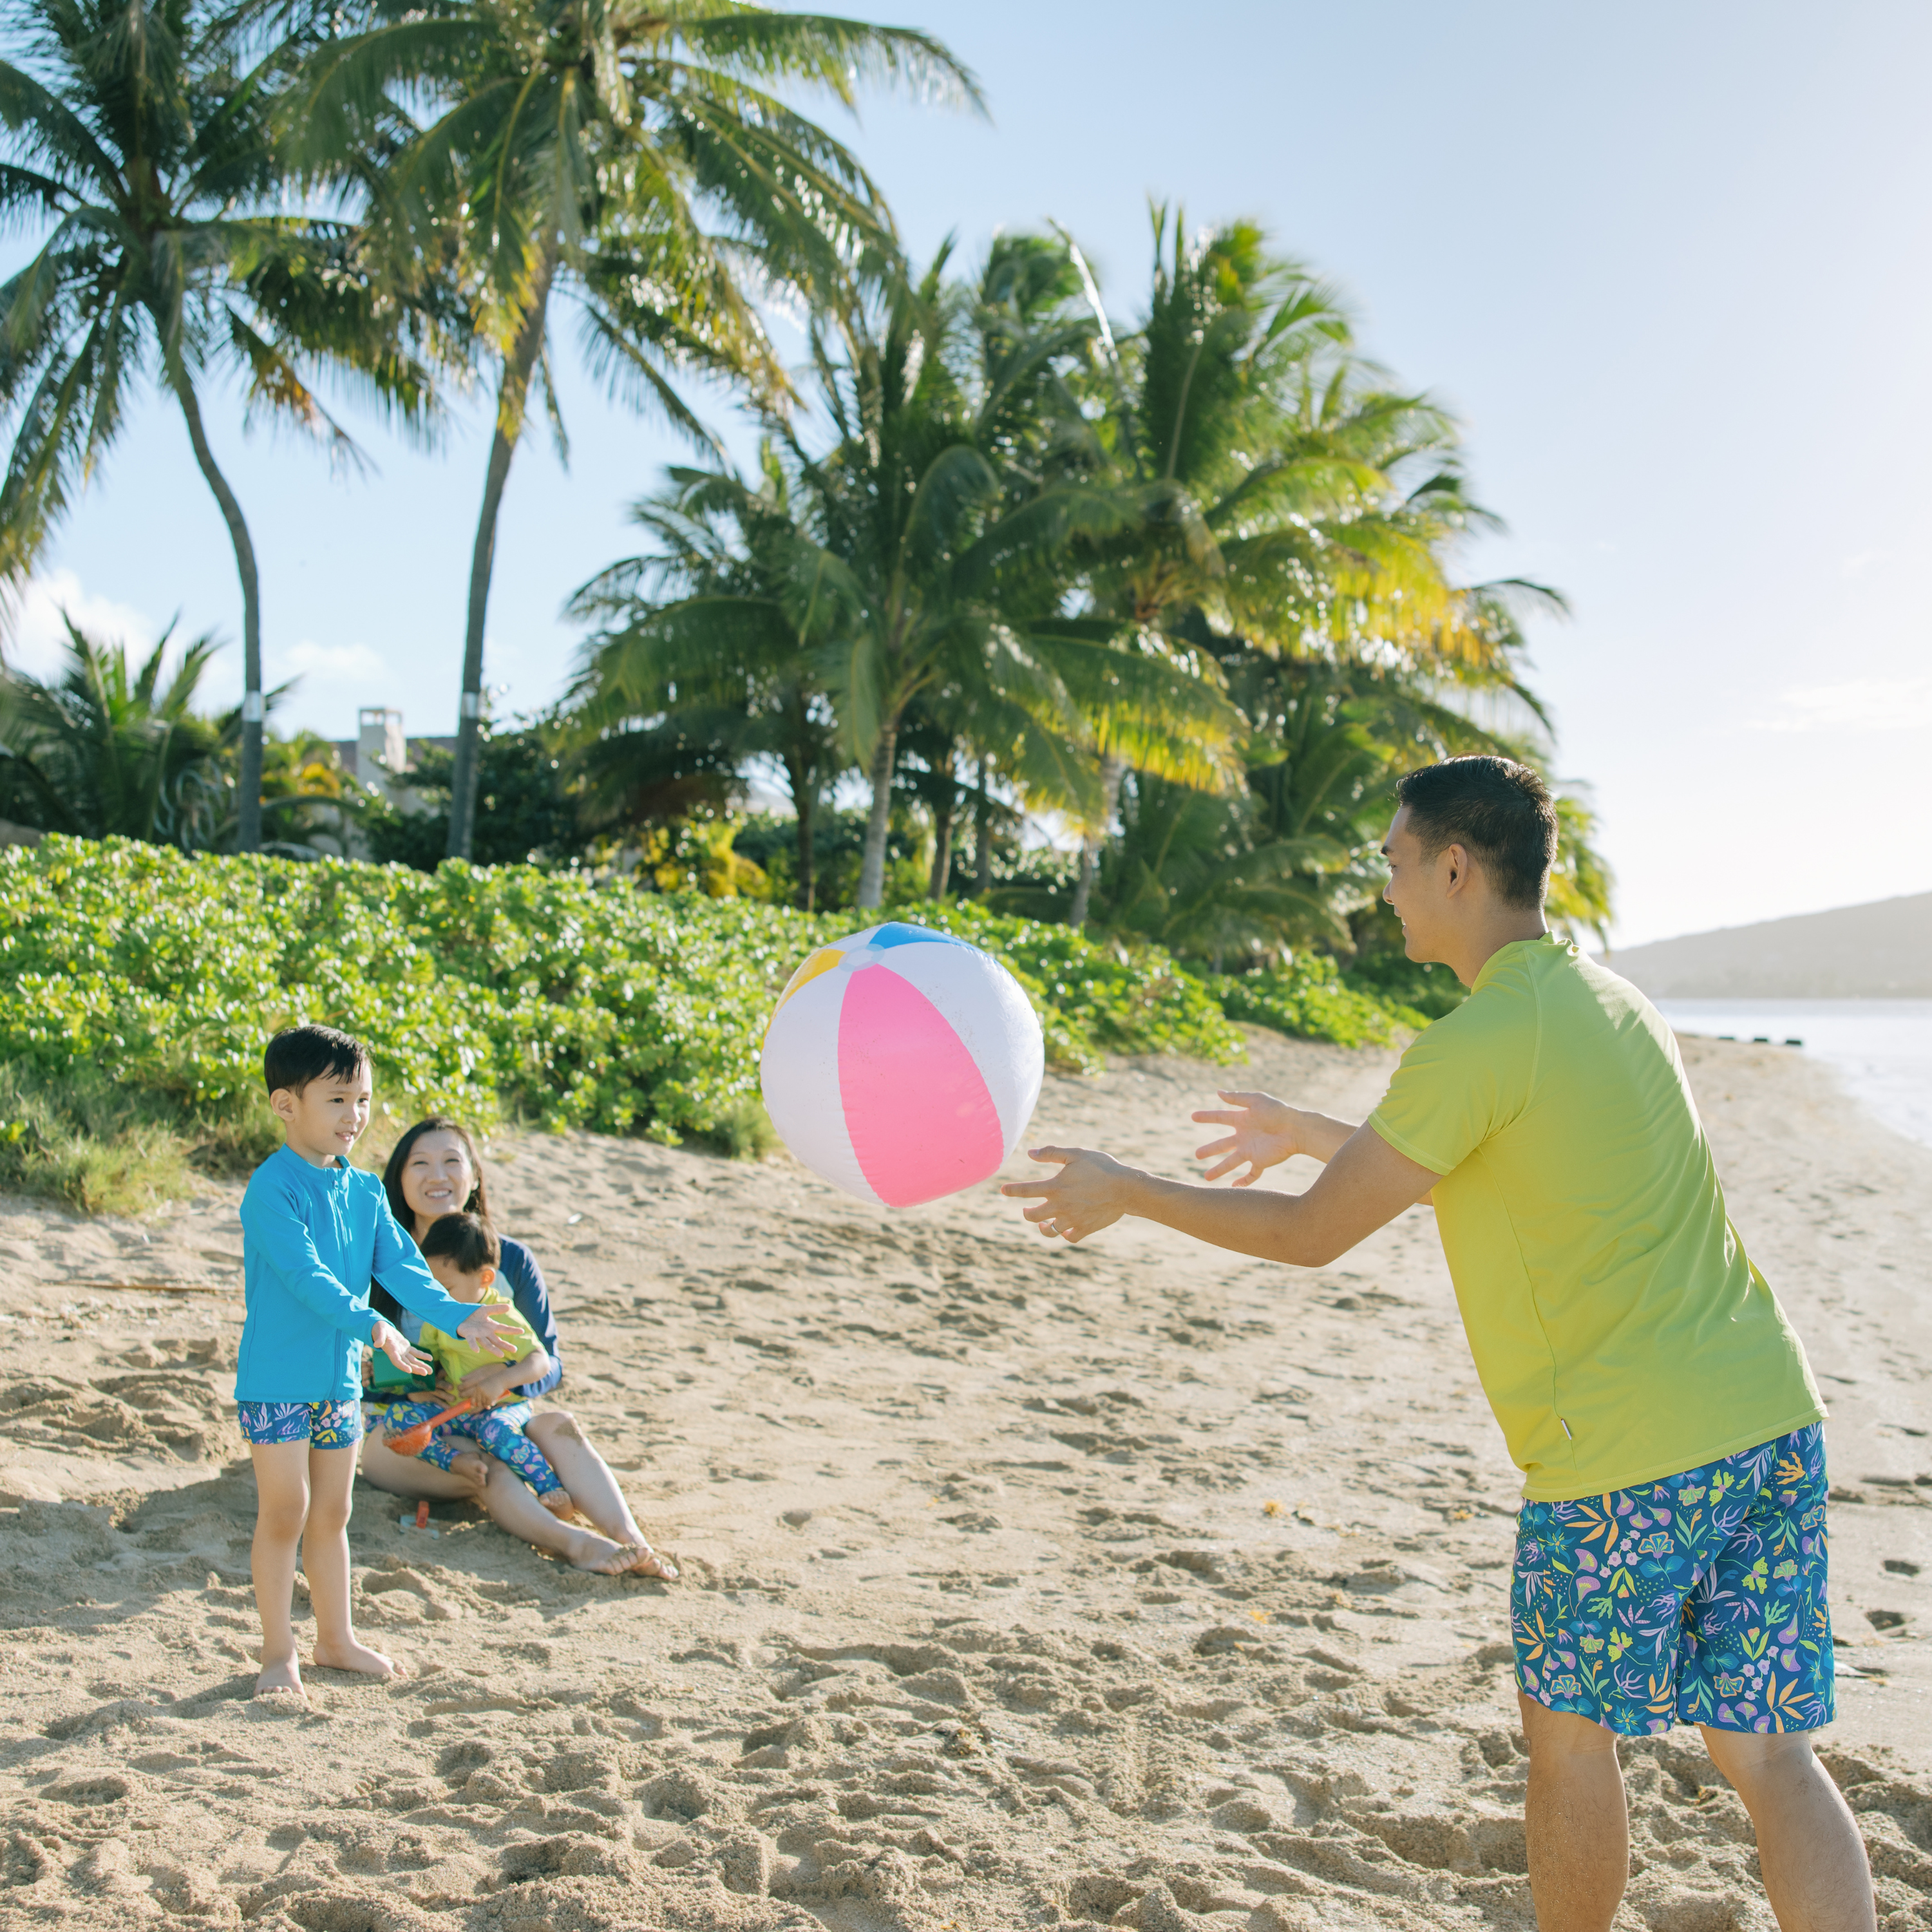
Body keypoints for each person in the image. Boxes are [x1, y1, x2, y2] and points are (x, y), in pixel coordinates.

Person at [1004, 755, 1875, 1932]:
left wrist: (1132, 1192)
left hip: (1621, 1454)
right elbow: (1514, 1174)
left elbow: (1317, 1235)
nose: (1387, 888)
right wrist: (1314, 1129)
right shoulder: (1612, 1003)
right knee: (1771, 1758)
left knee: (1567, 1744)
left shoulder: (1481, 1037)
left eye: (1398, 863)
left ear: (1458, 868)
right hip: (1768, 1415)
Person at [238, 1025, 519, 1703]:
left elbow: (403, 1268)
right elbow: (307, 1278)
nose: (354, 1117)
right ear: (285, 1105)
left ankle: (335, 1638)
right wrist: (373, 1328)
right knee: (286, 1512)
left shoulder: (363, 1190)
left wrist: (460, 1315)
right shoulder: (271, 1190)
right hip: (278, 1381)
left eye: (362, 1100)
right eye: (337, 1100)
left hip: (335, 1384)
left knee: (333, 1512)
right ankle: (279, 1654)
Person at [357, 1115, 677, 1580]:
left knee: (558, 1425)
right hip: (413, 1438)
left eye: (452, 1161)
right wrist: (409, 1387)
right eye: (420, 1163)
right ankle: (578, 1545)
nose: (437, 1175)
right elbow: (359, 1371)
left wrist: (498, 1380)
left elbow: (550, 1364)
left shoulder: (510, 1260)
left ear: (473, 1177)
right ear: (399, 1179)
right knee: (486, 1463)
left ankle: (634, 1543)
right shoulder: (383, 1262)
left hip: (496, 1414)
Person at [381, 1211, 574, 1515]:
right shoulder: (441, 1314)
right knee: (397, 1418)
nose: (438, 1299)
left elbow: (540, 1361)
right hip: (455, 1410)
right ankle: (455, 1461)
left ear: (485, 1278)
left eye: (446, 1289)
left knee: (496, 1435)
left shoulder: (500, 1315)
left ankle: (550, 1488)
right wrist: (415, 1383)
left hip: (501, 1407)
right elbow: (429, 1362)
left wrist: (500, 1381)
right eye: (432, 1289)